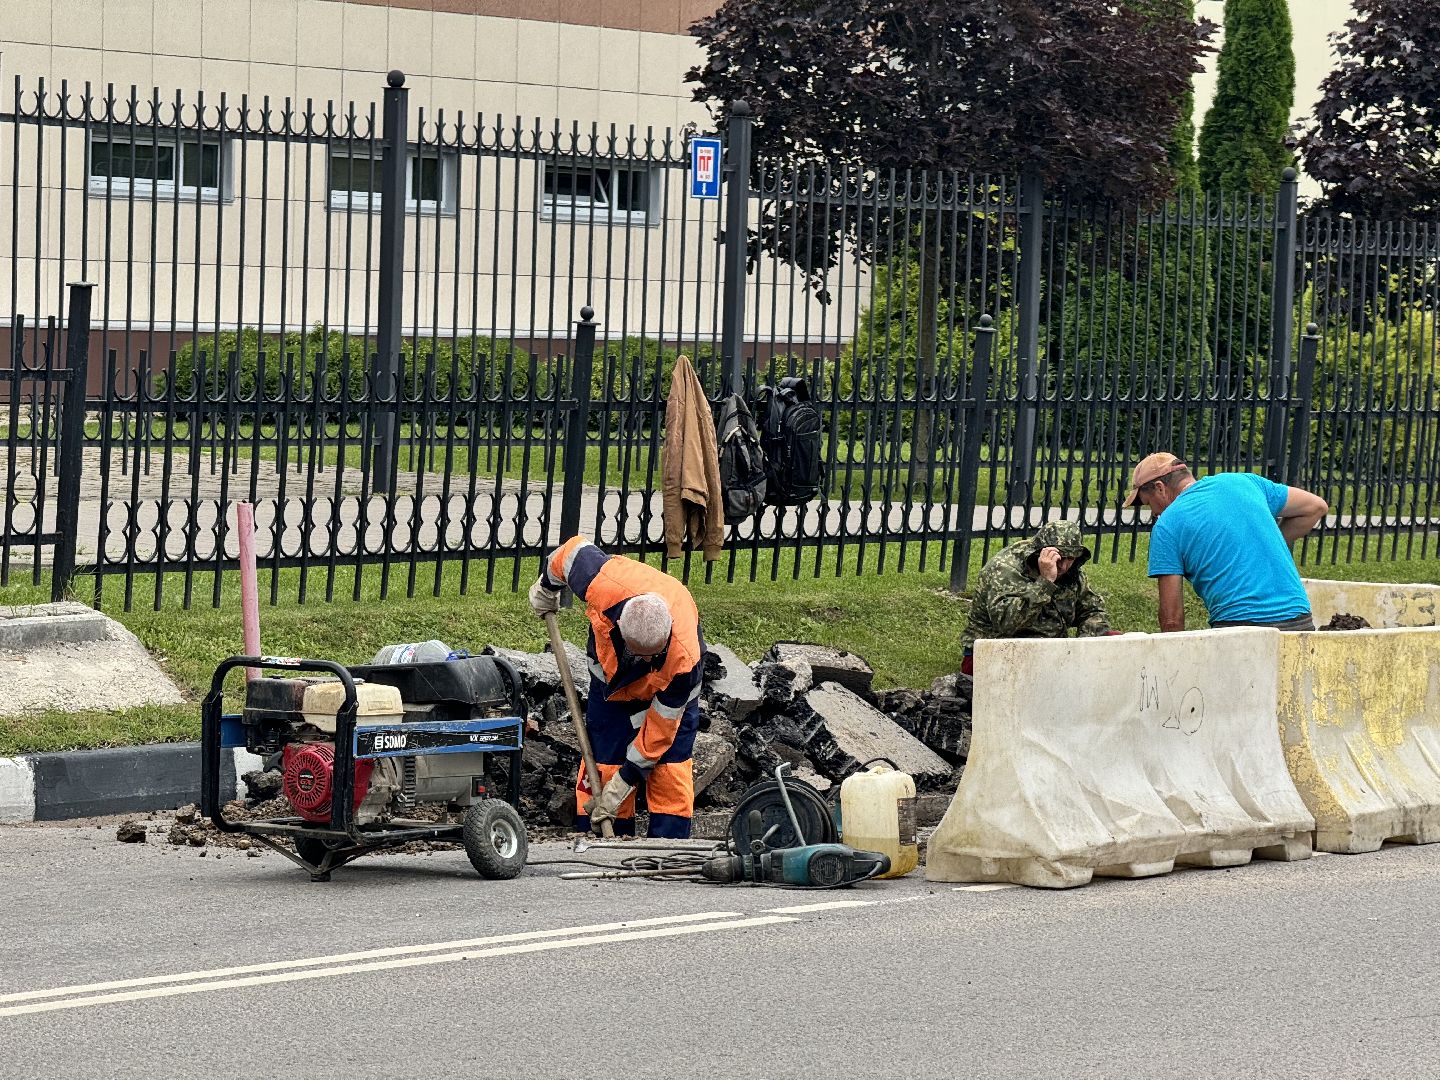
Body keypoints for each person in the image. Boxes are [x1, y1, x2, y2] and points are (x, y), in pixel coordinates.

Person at [528, 536, 705, 838]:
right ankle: (605, 839)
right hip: (611, 686)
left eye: (647, 656)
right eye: (634, 651)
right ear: (621, 625)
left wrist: (627, 780)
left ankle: (667, 851)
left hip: (664, 692)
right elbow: (569, 554)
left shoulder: (685, 659)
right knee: (605, 761)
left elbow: (660, 731)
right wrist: (547, 586)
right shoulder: (604, 582)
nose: (639, 659)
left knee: (669, 769)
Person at [1122, 452, 1329, 633]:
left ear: (1160, 488)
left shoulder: (1167, 525)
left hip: (1239, 631)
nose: (1154, 513)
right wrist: (1261, 543)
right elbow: (1315, 507)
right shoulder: (1246, 482)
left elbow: (1172, 620)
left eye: (1149, 504)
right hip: (1300, 623)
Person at [959, 520, 1114, 675]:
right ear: (1041, 553)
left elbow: (1093, 611)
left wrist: (1084, 646)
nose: (1064, 566)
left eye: (1071, 559)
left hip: (1049, 650)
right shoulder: (1006, 569)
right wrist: (1045, 582)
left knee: (1114, 642)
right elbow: (1006, 623)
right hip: (1001, 650)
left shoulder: (1071, 573)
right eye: (1060, 558)